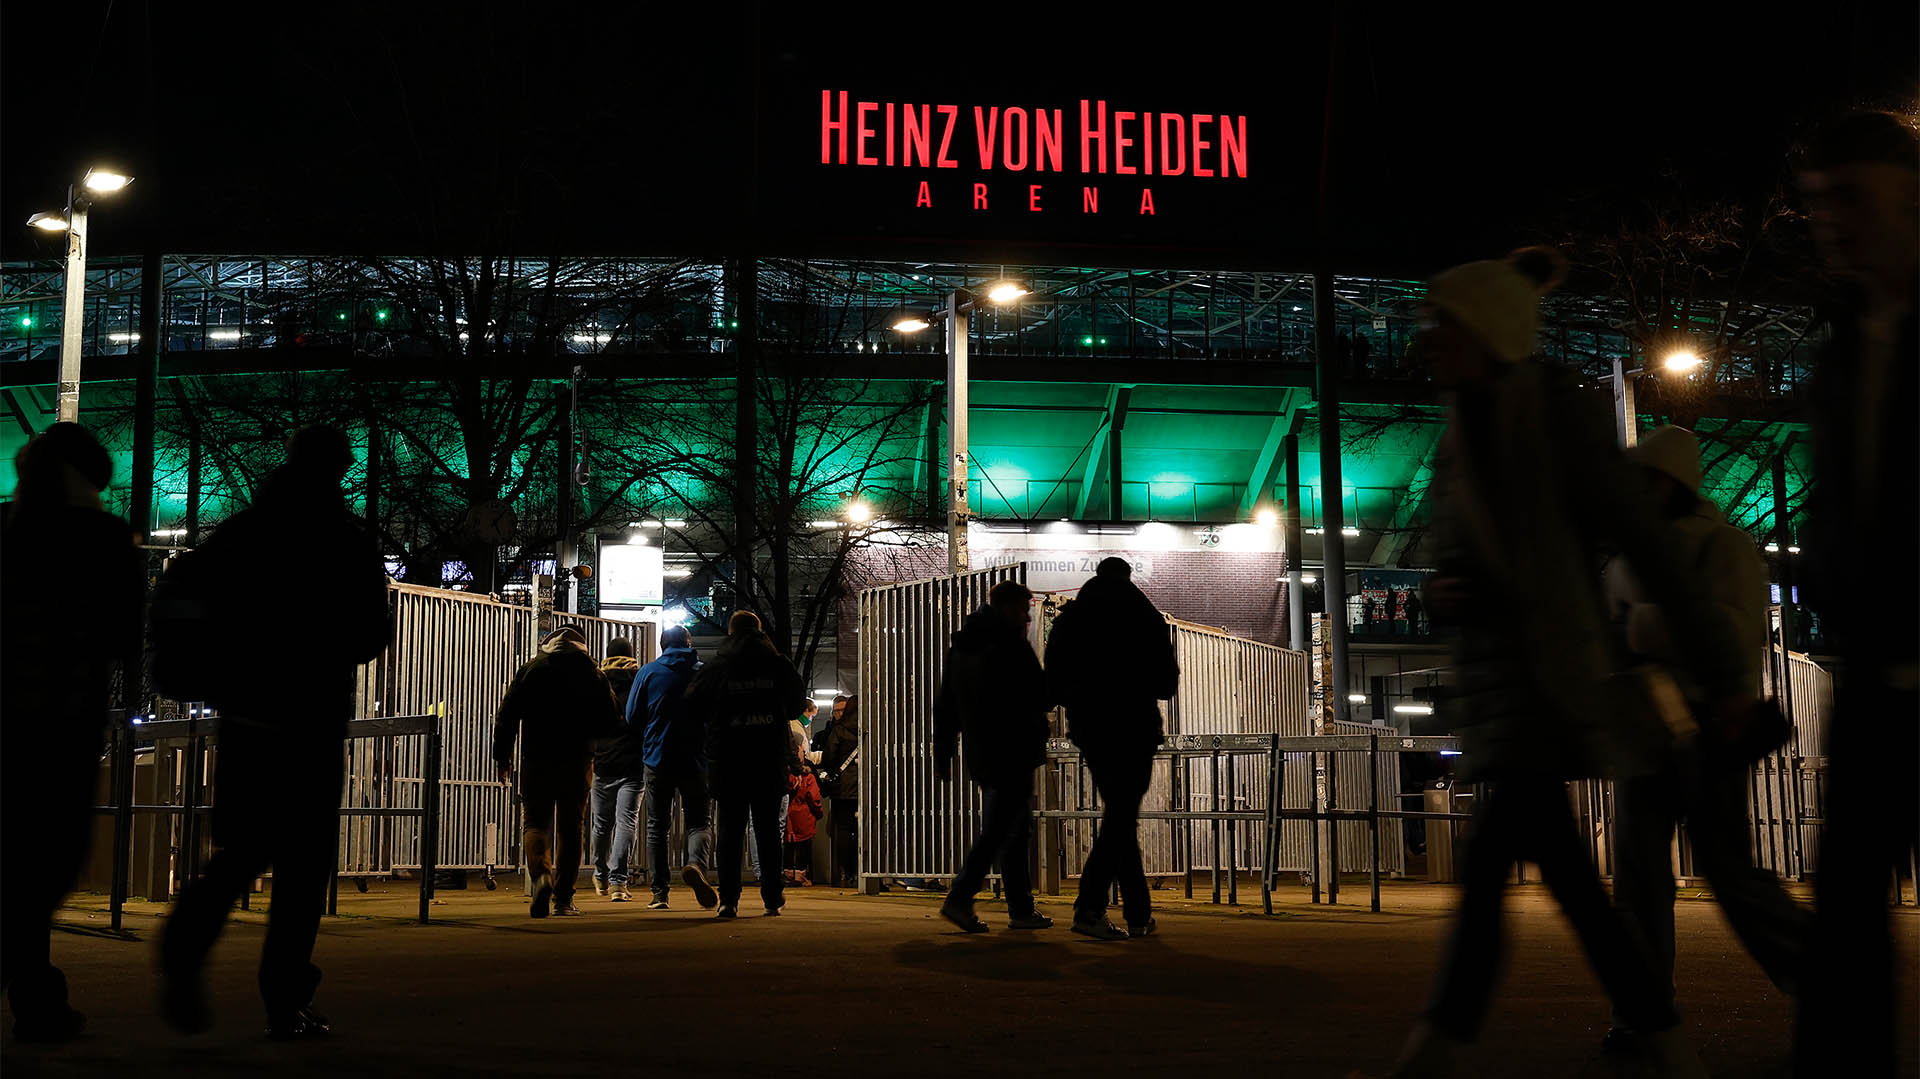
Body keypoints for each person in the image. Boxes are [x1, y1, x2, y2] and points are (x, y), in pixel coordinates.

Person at [1386, 248, 1755, 1078]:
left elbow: (1648, 545)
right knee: (1574, 892)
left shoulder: (1552, 420)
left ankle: (1432, 1051)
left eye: (1443, 324)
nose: (1427, 339)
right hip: (1502, 692)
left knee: (1498, 884)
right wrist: (1452, 587)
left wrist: (1727, 675)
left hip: (1546, 687)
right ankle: (1667, 1041)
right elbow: (1474, 559)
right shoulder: (1458, 430)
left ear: (1486, 331)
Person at [159, 425, 390, 1040]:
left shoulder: (242, 532)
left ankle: (185, 940)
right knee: (303, 869)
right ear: (340, 470)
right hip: (311, 720)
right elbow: (372, 633)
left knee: (241, 850)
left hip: (247, 716)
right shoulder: (344, 541)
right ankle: (283, 999)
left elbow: (187, 594)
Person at [1600, 426, 1810, 1053]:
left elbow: (1730, 633)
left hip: (1702, 725)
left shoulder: (1720, 546)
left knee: (1720, 872)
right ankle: (1641, 1009)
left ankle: (1817, 975)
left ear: (1670, 483)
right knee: (1652, 872)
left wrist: (1636, 626)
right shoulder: (1637, 554)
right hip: (1652, 726)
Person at [1793, 111, 1918, 1079]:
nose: (1829, 220)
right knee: (1845, 912)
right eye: (1817, 202)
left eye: (1850, 198)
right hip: (1875, 674)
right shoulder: (1839, 349)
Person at [0, 424, 144, 1042]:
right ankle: (37, 999)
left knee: (16, 866)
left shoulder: (3, 528)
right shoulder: (101, 539)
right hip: (60, 726)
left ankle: (38, 998)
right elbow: (123, 633)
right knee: (46, 866)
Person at [1044, 558, 1178, 941]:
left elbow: (1053, 681)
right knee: (1121, 818)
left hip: (1092, 729)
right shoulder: (1145, 616)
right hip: (1135, 728)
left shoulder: (1072, 619)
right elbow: (1166, 683)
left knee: (1119, 818)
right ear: (1127, 577)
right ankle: (1091, 909)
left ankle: (1137, 914)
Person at [933, 581, 1055, 933]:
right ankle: (961, 897)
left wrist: (943, 751)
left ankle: (1020, 908)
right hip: (1013, 747)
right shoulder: (1009, 645)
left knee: (1013, 828)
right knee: (1002, 829)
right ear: (1008, 609)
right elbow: (1039, 694)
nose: (1028, 616)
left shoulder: (964, 646)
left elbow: (946, 705)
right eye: (1024, 609)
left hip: (982, 749)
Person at [492, 625, 621, 919]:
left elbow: (507, 714)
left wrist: (502, 756)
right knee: (571, 827)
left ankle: (541, 876)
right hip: (577, 761)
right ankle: (563, 899)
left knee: (535, 822)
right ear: (582, 646)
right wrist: (592, 738)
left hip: (537, 758)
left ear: (548, 644)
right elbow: (612, 719)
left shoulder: (533, 669)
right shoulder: (592, 673)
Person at [688, 611, 808, 918]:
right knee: (768, 833)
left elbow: (692, 703)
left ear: (731, 632)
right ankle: (772, 898)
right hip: (768, 758)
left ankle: (728, 900)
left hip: (729, 760)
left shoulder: (718, 665)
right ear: (759, 631)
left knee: (729, 832)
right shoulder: (777, 664)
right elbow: (796, 704)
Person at [634, 625, 714, 910]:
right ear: (688, 643)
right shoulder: (703, 672)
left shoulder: (648, 672)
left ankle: (660, 893)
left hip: (658, 757)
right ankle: (695, 866)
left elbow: (633, 715)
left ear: (662, 645)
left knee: (657, 827)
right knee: (699, 822)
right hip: (696, 758)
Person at [589, 637, 643, 901]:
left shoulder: (597, 680)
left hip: (602, 760)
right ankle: (618, 883)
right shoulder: (638, 679)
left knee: (601, 825)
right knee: (626, 822)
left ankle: (599, 873)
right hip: (633, 761)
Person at [813, 694, 861, 886]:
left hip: (844, 788)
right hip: (866, 788)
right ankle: (863, 871)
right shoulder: (869, 729)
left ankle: (844, 873)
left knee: (842, 829)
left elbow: (829, 758)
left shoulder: (839, 730)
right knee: (864, 831)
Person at [784, 761, 823, 885]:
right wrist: (819, 812)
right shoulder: (808, 777)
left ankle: (788, 874)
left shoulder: (786, 776)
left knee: (789, 845)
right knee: (803, 847)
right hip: (804, 815)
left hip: (788, 815)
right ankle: (801, 875)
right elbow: (814, 797)